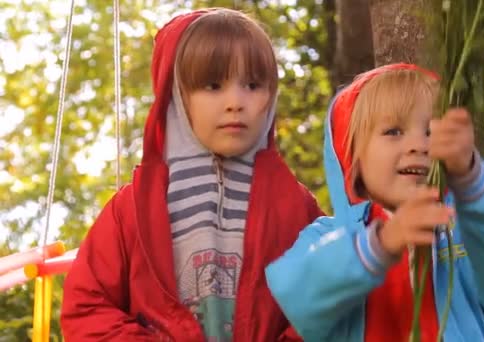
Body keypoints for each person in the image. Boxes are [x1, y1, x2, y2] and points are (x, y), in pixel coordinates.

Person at [61, 8, 323, 341]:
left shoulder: (296, 207)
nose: (235, 102)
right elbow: (87, 308)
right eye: (213, 85)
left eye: (253, 85)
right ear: (175, 96)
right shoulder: (132, 210)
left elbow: (326, 303)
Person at [265, 63, 484, 341]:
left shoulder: (467, 234)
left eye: (431, 132)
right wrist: (381, 244)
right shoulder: (328, 236)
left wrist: (472, 176)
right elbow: (294, 291)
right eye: (394, 131)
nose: (418, 145)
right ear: (352, 157)